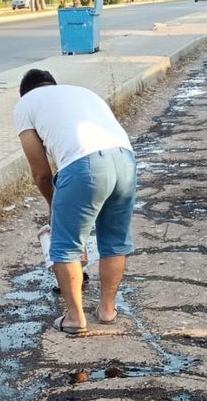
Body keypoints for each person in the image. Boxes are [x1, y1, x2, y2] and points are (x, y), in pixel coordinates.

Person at [14, 69, 137, 334]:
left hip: (84, 166)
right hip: (126, 160)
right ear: (52, 85)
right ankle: (106, 311)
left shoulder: (25, 104)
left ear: (24, 92)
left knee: (65, 245)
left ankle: (75, 318)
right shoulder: (83, 92)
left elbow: (41, 172)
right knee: (115, 240)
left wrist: (52, 205)